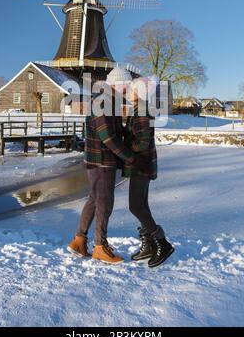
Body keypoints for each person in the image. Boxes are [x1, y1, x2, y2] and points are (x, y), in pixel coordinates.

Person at [68, 67, 134, 264]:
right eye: (126, 85)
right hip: (102, 161)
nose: (128, 88)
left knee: (95, 199)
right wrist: (128, 156)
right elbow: (108, 136)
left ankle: (79, 241)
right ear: (117, 84)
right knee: (105, 203)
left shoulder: (107, 101)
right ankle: (99, 246)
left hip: (97, 159)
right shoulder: (104, 101)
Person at [123, 77, 174, 268]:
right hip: (143, 165)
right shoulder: (139, 109)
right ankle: (150, 244)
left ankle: (162, 242)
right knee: (142, 206)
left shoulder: (141, 111)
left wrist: (125, 147)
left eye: (131, 89)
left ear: (139, 94)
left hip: (141, 165)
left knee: (135, 207)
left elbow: (142, 142)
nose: (128, 92)